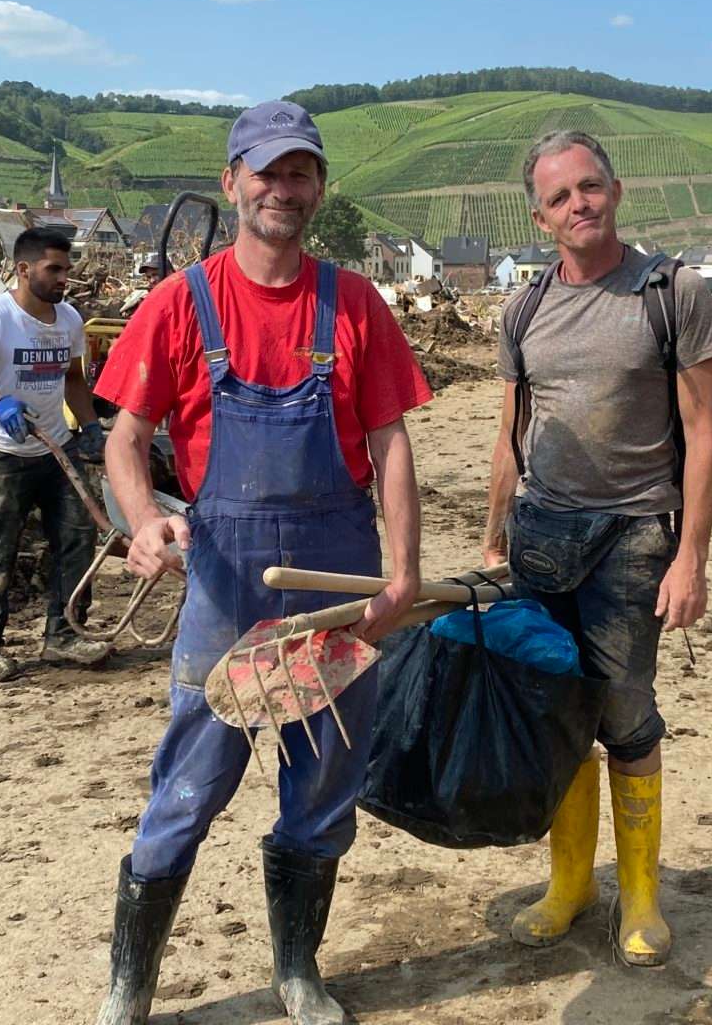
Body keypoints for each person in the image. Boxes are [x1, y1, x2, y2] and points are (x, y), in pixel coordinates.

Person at [92, 101, 431, 1025]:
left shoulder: (352, 303)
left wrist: (402, 573)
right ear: (233, 179)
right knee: (190, 785)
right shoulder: (181, 303)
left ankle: (297, 973)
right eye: (268, 171)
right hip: (224, 579)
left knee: (325, 781)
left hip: (338, 585)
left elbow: (392, 445)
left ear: (319, 187)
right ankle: (130, 989)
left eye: (302, 173)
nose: (285, 189)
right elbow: (127, 439)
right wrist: (143, 523)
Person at [483, 130, 712, 968]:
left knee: (625, 712)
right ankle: (570, 885)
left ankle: (642, 897)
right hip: (542, 536)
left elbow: (705, 429)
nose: (578, 204)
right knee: (556, 712)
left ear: (616, 191)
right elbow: (511, 434)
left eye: (590, 187)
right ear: (539, 216)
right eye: (559, 196)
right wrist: (492, 536)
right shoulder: (523, 309)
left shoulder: (672, 292)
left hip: (634, 537)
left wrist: (691, 555)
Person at [0, 224, 107, 682]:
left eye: (66, 270)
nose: (63, 279)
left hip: (56, 449)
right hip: (0, 452)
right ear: (23, 269)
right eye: (53, 269)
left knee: (78, 539)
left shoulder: (69, 320)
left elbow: (72, 379)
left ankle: (65, 633)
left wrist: (90, 425)